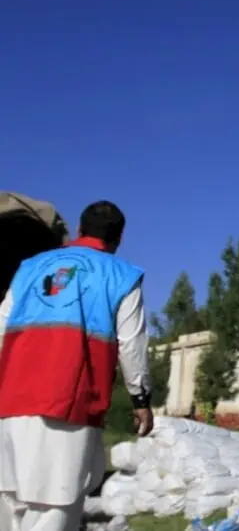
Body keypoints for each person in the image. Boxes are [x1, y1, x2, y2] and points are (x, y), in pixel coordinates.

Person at [0, 200, 153, 531]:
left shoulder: (29, 268)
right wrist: (140, 400)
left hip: (10, 405)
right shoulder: (123, 276)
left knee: (9, 506)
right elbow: (132, 345)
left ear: (79, 229)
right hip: (68, 405)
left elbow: (2, 327)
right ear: (118, 238)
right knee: (53, 509)